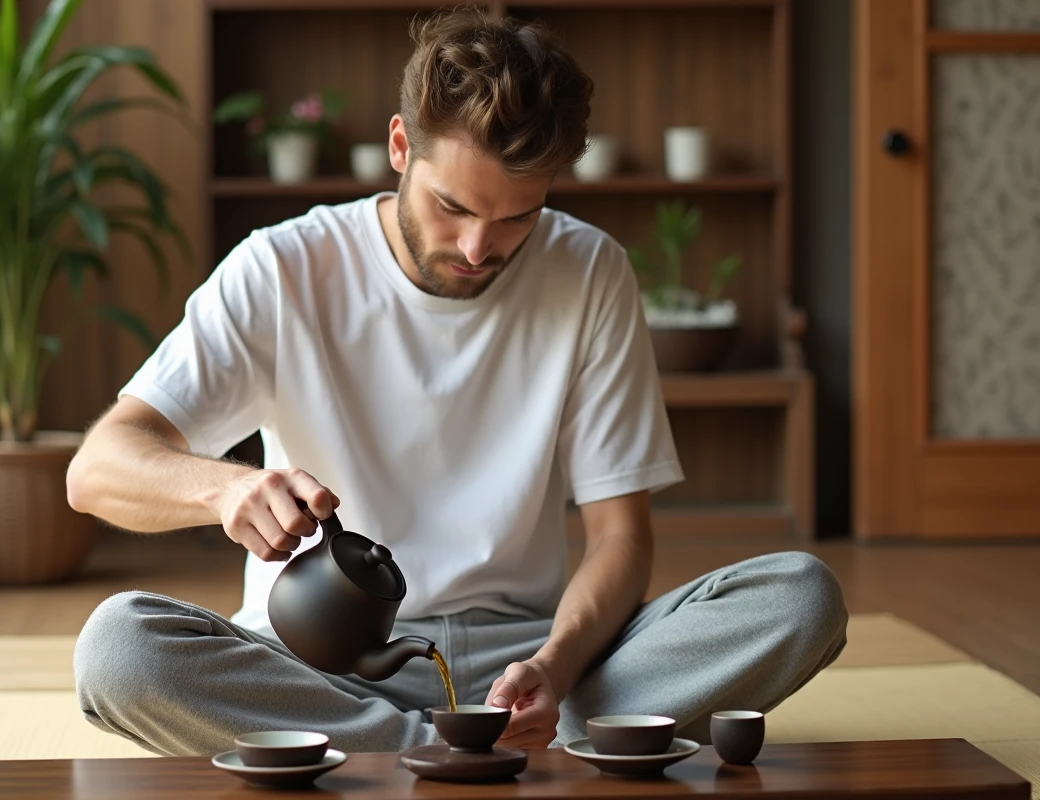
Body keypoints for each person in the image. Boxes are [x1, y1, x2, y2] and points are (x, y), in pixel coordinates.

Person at [67, 5, 847, 758]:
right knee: (120, 649)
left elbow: (620, 537)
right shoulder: (282, 268)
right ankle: (460, 752)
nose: (479, 246)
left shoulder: (589, 271)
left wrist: (557, 665)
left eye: (517, 218)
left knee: (800, 597)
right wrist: (222, 491)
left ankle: (423, 746)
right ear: (401, 146)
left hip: (529, 656)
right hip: (322, 661)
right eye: (453, 207)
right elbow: (97, 469)